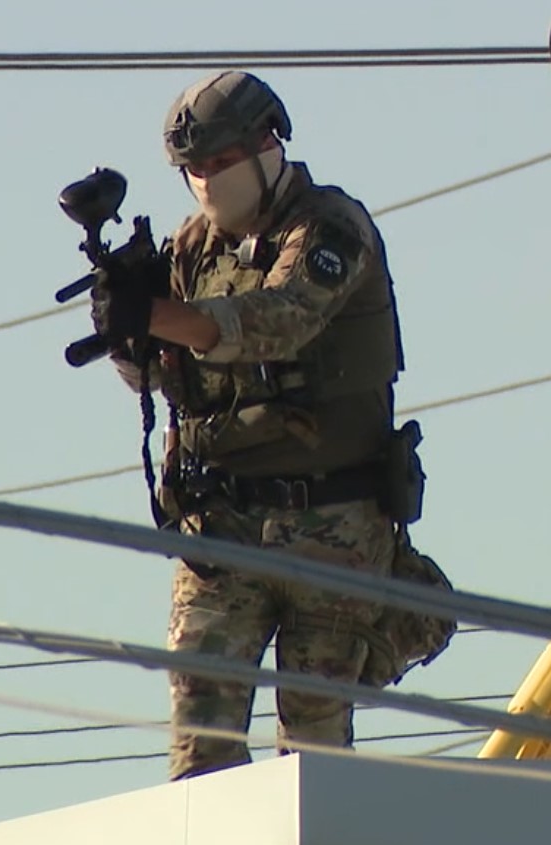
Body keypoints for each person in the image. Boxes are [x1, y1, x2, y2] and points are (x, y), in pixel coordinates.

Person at [90, 70, 411, 780]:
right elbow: (156, 377)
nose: (206, 181)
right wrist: (124, 331)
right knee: (199, 738)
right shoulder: (194, 247)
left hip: (330, 526)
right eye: (193, 169)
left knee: (316, 750)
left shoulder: (329, 226)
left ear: (268, 145)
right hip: (221, 524)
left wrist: (158, 317)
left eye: (220, 161)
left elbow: (281, 319)